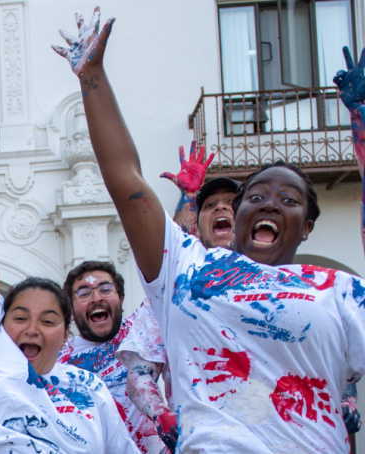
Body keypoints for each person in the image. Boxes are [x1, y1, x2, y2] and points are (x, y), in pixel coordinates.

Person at [53, 9, 365, 451]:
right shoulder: (189, 268)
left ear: (307, 226)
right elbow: (127, 181)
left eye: (288, 200)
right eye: (255, 198)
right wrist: (93, 77)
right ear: (237, 218)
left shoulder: (339, 291)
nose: (270, 204)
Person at [0, 128, 137, 453]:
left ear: (66, 332)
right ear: (1, 325)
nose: (32, 328)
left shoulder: (89, 388)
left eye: (48, 320)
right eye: (20, 317)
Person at [57, 261, 167, 453]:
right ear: (71, 312)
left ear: (121, 300)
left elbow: (165, 282)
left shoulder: (141, 330)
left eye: (106, 289)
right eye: (84, 293)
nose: (96, 298)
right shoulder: (57, 363)